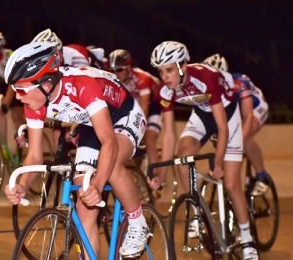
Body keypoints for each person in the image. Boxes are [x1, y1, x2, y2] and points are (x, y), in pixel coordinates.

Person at [4, 41, 150, 258]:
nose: (17, 96)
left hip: (124, 114)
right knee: (84, 211)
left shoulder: (82, 85)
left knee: (111, 160)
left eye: (21, 89)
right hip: (92, 123)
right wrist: (23, 184)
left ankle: (138, 223)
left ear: (44, 84)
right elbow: (34, 154)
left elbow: (109, 142)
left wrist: (98, 185)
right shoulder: (33, 103)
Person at [150, 41, 258, 259]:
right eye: (160, 71)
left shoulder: (206, 77)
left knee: (231, 183)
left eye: (169, 70)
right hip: (201, 114)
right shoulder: (165, 90)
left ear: (183, 66)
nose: (165, 76)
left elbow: (222, 127)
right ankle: (197, 213)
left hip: (227, 116)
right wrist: (161, 175)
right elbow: (169, 134)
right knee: (182, 157)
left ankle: (248, 241)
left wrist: (217, 163)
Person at [204, 53, 271, 196]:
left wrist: (238, 142)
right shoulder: (208, 89)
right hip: (237, 112)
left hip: (256, 107)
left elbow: (248, 116)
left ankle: (262, 176)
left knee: (243, 140)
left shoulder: (239, 82)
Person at [108, 49, 164, 185]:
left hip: (155, 106)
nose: (116, 74)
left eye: (119, 70)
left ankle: (157, 178)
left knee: (149, 140)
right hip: (135, 107)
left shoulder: (142, 78)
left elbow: (144, 107)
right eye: (113, 70)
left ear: (129, 68)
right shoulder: (115, 80)